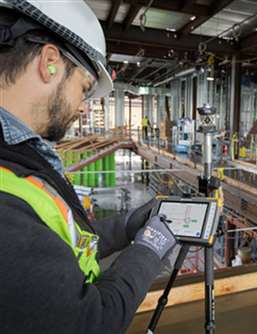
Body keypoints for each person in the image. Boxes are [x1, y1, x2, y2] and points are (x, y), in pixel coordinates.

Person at [0, 1, 177, 333]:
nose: (83, 108)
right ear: (49, 62)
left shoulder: (19, 154)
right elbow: (90, 322)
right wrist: (148, 249)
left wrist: (125, 228)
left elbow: (53, 243)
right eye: (83, 88)